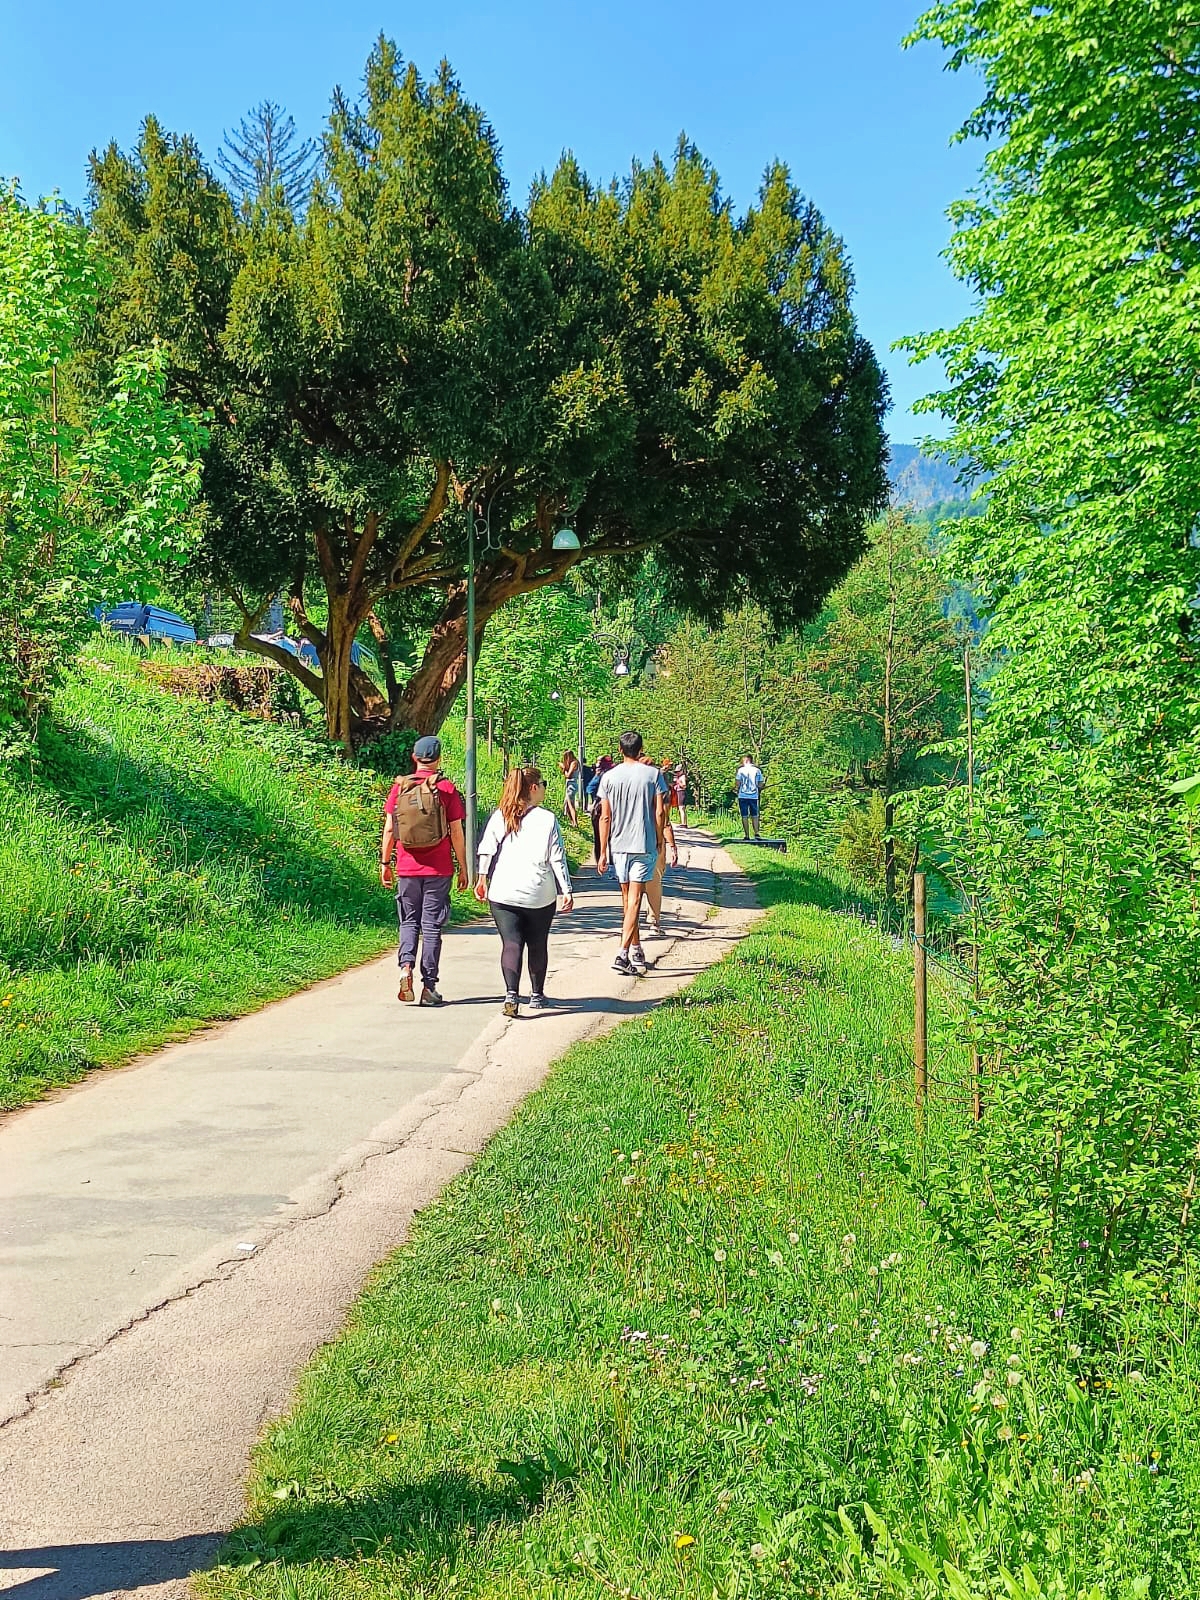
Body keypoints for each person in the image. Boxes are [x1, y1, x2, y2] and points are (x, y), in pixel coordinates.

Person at [475, 766, 574, 1017]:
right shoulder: (547, 819)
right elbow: (557, 858)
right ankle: (537, 995)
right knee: (537, 943)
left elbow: (486, 848)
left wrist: (482, 877)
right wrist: (566, 890)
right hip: (538, 893)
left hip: (503, 892)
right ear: (533, 788)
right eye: (543, 784)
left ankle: (511, 994)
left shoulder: (501, 815)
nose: (544, 789)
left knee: (511, 943)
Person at [380, 735, 468, 1006]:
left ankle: (405, 967)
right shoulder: (446, 789)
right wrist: (463, 867)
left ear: (414, 758)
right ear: (439, 759)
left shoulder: (400, 788)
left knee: (408, 922)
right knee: (431, 927)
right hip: (439, 870)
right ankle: (429, 988)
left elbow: (390, 829)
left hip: (406, 868)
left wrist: (385, 864)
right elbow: (456, 832)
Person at [597, 731, 665, 976]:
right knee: (635, 900)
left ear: (620, 749)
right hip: (643, 842)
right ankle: (623, 952)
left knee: (627, 900)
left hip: (619, 844)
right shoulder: (653, 774)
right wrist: (659, 838)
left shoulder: (609, 777)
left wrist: (603, 851)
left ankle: (636, 947)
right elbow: (659, 812)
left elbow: (605, 816)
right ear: (641, 748)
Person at [644, 759, 679, 937]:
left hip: (631, 842)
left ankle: (630, 925)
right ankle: (653, 922)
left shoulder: (629, 786)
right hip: (655, 842)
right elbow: (664, 822)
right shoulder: (661, 791)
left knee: (632, 886)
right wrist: (671, 846)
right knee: (654, 882)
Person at [586, 755, 614, 863]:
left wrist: (597, 797)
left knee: (598, 837)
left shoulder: (600, 774)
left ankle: (599, 861)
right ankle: (612, 863)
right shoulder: (615, 775)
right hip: (614, 807)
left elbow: (590, 788)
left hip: (600, 807)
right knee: (612, 837)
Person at [735, 753, 765, 840]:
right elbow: (760, 783)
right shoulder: (757, 770)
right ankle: (756, 833)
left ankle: (747, 835)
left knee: (744, 816)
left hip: (743, 795)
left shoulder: (741, 770)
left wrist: (737, 788)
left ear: (746, 760)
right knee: (755, 815)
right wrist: (758, 787)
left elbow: (737, 783)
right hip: (754, 796)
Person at [559, 750, 582, 826]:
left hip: (572, 785)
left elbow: (568, 775)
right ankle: (572, 822)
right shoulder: (574, 762)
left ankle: (575, 823)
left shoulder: (574, 763)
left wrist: (564, 768)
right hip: (570, 785)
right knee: (567, 805)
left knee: (571, 805)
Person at [673, 763, 689, 827]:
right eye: (676, 772)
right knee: (680, 808)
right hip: (679, 792)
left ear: (681, 771)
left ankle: (684, 823)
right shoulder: (679, 777)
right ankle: (682, 822)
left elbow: (684, 786)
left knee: (681, 808)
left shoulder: (683, 777)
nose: (677, 773)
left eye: (678, 772)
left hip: (681, 792)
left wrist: (678, 781)